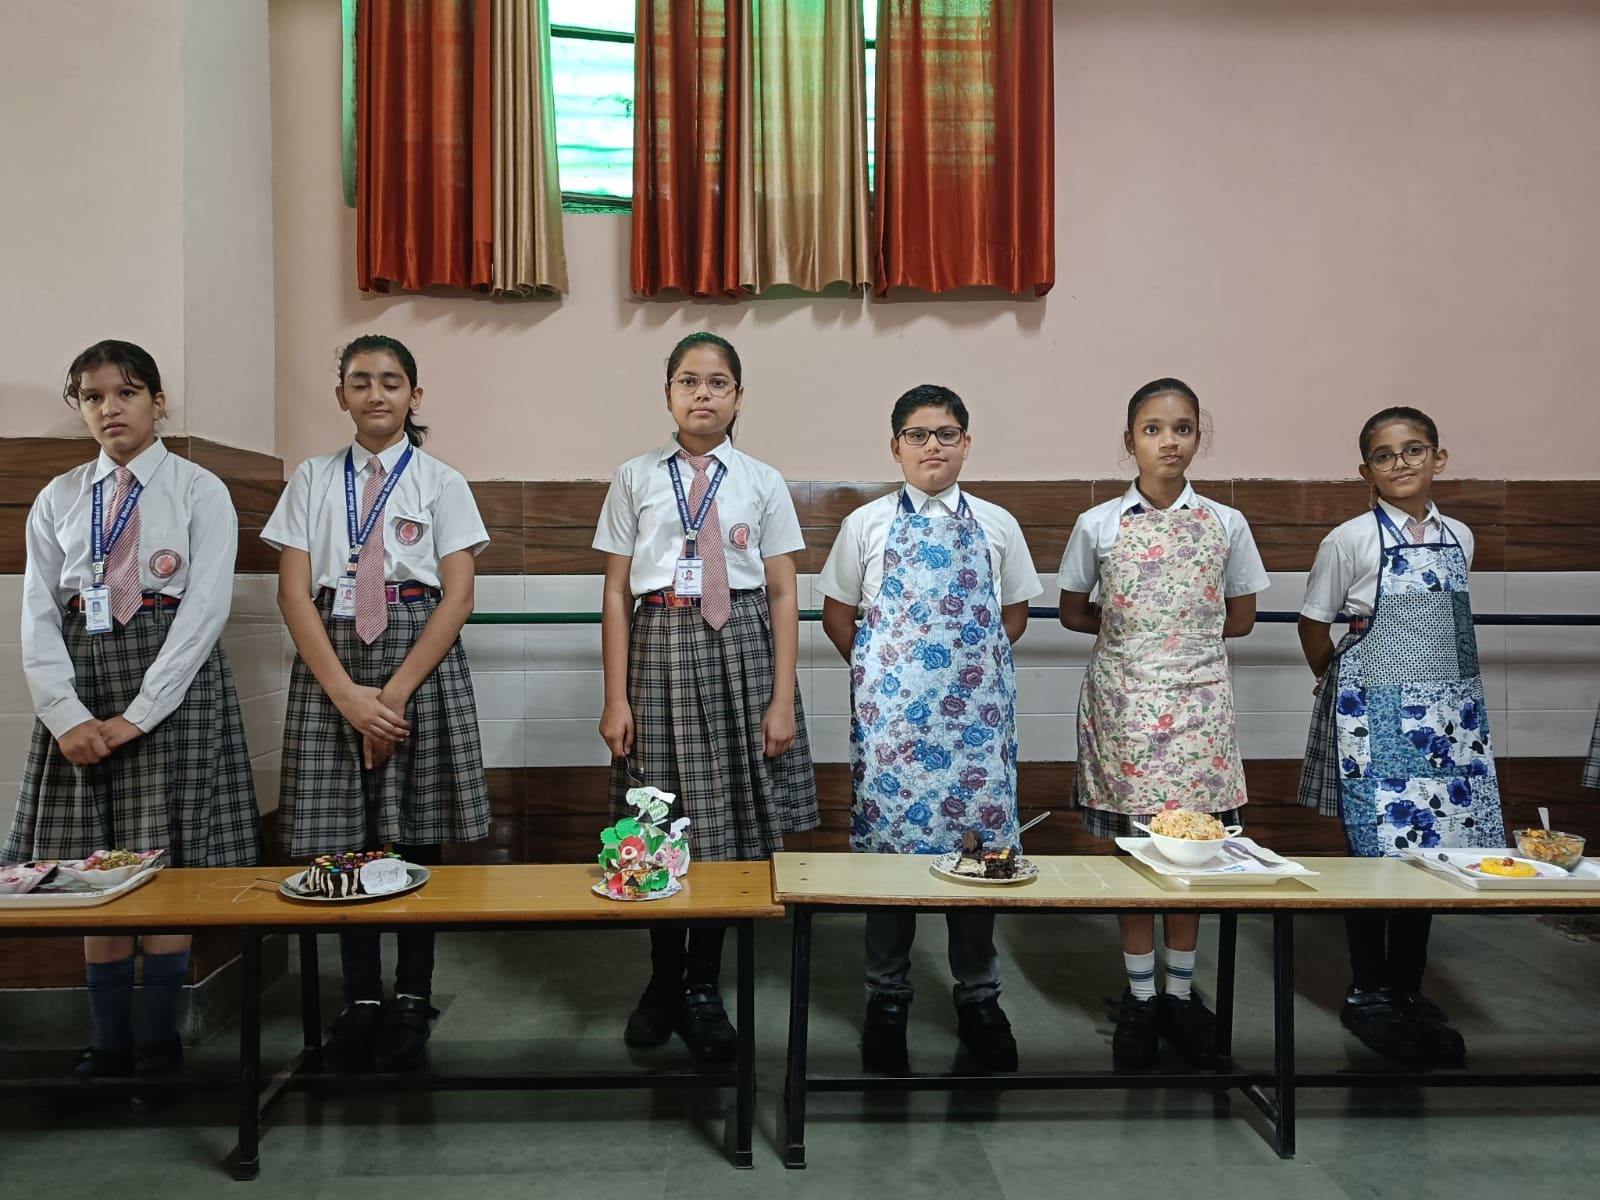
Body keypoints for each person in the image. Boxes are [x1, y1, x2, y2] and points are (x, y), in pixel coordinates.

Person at [4, 339, 259, 1089]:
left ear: (157, 402)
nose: (109, 409)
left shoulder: (199, 489)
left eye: (126, 393)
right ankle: (108, 1045)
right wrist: (64, 714)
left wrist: (143, 713)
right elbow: (37, 613)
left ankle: (158, 1045)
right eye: (92, 397)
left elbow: (204, 610)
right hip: (83, 683)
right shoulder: (58, 497)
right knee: (91, 866)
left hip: (172, 687)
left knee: (165, 864)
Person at [263, 334, 490, 1072]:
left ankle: (413, 998)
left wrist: (390, 697)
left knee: (415, 835)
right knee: (343, 843)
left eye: (392, 382)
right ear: (341, 396)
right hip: (332, 662)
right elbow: (292, 592)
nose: (376, 394)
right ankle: (360, 999)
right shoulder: (311, 478)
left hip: (417, 658)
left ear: (414, 395)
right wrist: (344, 694)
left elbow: (459, 595)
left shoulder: (441, 481)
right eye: (360, 382)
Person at [594, 332, 818, 1063]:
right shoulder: (633, 477)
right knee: (654, 818)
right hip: (658, 644)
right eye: (688, 381)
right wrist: (615, 697)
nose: (703, 394)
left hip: (742, 648)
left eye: (718, 382)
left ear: (739, 396)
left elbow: (782, 592)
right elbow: (615, 592)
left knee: (724, 826)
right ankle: (662, 979)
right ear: (667, 394)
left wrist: (781, 699)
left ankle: (702, 985)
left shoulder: (761, 480)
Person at [820, 383, 1040, 1074]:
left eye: (946, 434)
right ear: (896, 447)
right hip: (893, 736)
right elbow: (837, 615)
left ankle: (979, 998)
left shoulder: (998, 524)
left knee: (980, 862)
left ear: (966, 443)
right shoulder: (866, 525)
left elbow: (1013, 616)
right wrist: (887, 679)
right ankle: (886, 999)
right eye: (917, 435)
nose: (932, 446)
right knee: (889, 868)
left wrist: (962, 677)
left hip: (977, 730)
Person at [1059, 377, 1268, 1070]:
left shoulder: (1226, 523)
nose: (1168, 441)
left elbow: (1241, 615)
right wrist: (1138, 639)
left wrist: (1181, 646)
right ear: (1130, 442)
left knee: (1193, 853)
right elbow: (1073, 610)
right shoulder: (1098, 524)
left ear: (1198, 438)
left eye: (1182, 428)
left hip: (1200, 710)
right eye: (1153, 429)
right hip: (1123, 707)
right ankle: (1142, 997)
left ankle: (1181, 995)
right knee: (1134, 852)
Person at [1296, 405, 1502, 1062]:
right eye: (1384, 455)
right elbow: (1313, 623)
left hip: (1448, 721)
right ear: (1367, 471)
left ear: (1439, 458)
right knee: (1376, 851)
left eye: (1414, 450)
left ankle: (1410, 988)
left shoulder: (1460, 537)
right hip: (1374, 715)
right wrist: (1339, 681)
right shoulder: (1349, 540)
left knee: (1437, 852)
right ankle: (1369, 991)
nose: (1401, 463)